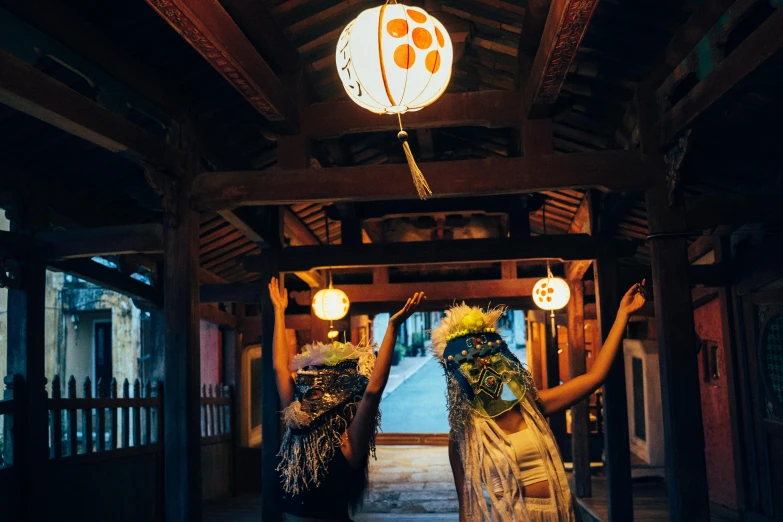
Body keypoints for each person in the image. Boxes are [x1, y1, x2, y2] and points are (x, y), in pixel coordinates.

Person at [431, 281, 647, 522]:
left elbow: (595, 376)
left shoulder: (531, 405)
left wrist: (623, 314)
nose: (484, 366)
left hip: (558, 512)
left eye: (490, 358)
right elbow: (468, 508)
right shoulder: (463, 433)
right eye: (473, 363)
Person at [268, 276, 425, 522]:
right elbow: (279, 368)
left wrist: (392, 329)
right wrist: (279, 311)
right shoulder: (297, 426)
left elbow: (373, 391)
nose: (310, 387)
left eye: (319, 384)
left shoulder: (348, 445)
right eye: (310, 375)